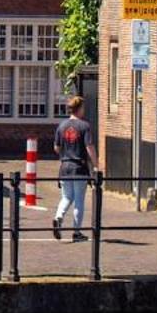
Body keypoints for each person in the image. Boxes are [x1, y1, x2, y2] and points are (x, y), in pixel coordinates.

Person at [52, 95, 95, 241]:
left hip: (64, 167)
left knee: (66, 197)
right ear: (80, 108)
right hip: (79, 167)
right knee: (79, 201)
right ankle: (76, 232)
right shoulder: (85, 126)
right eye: (83, 107)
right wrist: (97, 164)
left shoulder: (62, 126)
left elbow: (56, 148)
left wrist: (66, 151)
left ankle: (58, 218)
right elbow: (89, 147)